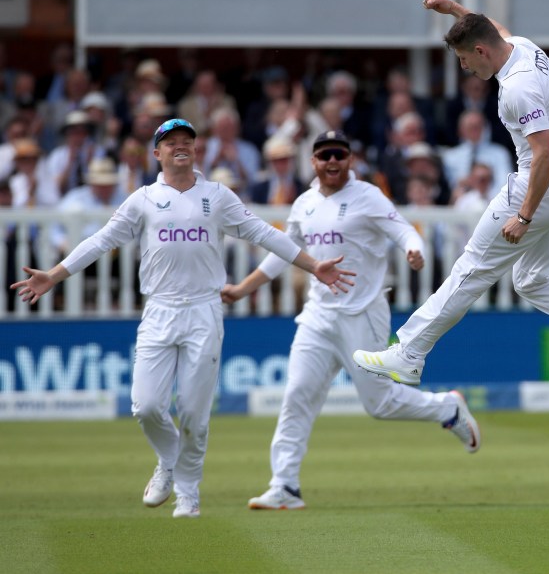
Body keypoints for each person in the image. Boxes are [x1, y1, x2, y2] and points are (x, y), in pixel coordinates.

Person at [10, 118, 356, 519]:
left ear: (197, 150)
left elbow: (265, 234)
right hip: (159, 308)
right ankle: (169, 462)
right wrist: (54, 274)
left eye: (187, 141)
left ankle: (188, 491)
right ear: (156, 153)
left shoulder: (218, 196)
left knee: (193, 412)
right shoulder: (142, 198)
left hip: (204, 309)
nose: (180, 147)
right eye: (170, 142)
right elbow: (102, 240)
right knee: (146, 406)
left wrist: (314, 266)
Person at [353, 0, 549, 395]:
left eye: (465, 59)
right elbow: (494, 28)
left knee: (471, 268)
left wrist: (523, 215)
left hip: (541, 182)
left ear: (481, 52)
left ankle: (409, 353)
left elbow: (544, 155)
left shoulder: (516, 89)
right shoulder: (523, 47)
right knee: (532, 278)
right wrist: (453, 10)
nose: (465, 67)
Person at [221, 129, 479, 511]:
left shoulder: (368, 196)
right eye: (324, 156)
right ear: (313, 162)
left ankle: (448, 408)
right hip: (318, 315)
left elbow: (404, 229)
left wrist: (413, 249)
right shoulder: (304, 203)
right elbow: (284, 252)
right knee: (297, 395)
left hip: (363, 314)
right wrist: (245, 287)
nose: (331, 162)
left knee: (380, 404)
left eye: (338, 155)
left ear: (349, 159)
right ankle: (284, 486)